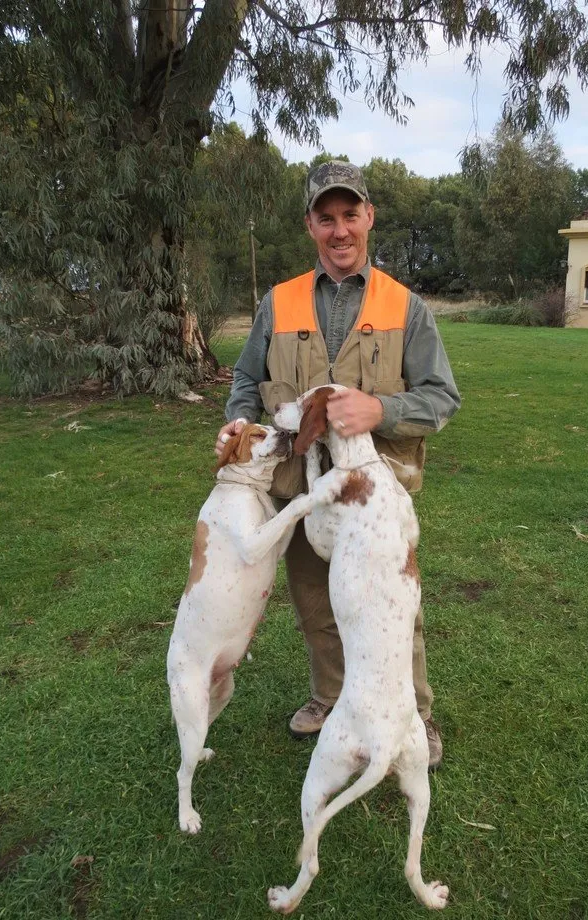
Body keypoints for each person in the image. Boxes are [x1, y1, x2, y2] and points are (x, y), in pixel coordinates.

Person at [215, 160, 460, 769]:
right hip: (300, 486)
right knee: (314, 599)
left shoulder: (407, 307)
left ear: (369, 217)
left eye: (351, 214)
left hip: (375, 494)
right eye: (326, 218)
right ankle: (331, 696)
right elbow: (246, 379)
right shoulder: (278, 302)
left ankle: (413, 715)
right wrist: (239, 420)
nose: (340, 229)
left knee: (394, 605)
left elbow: (441, 397)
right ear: (310, 225)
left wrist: (381, 409)